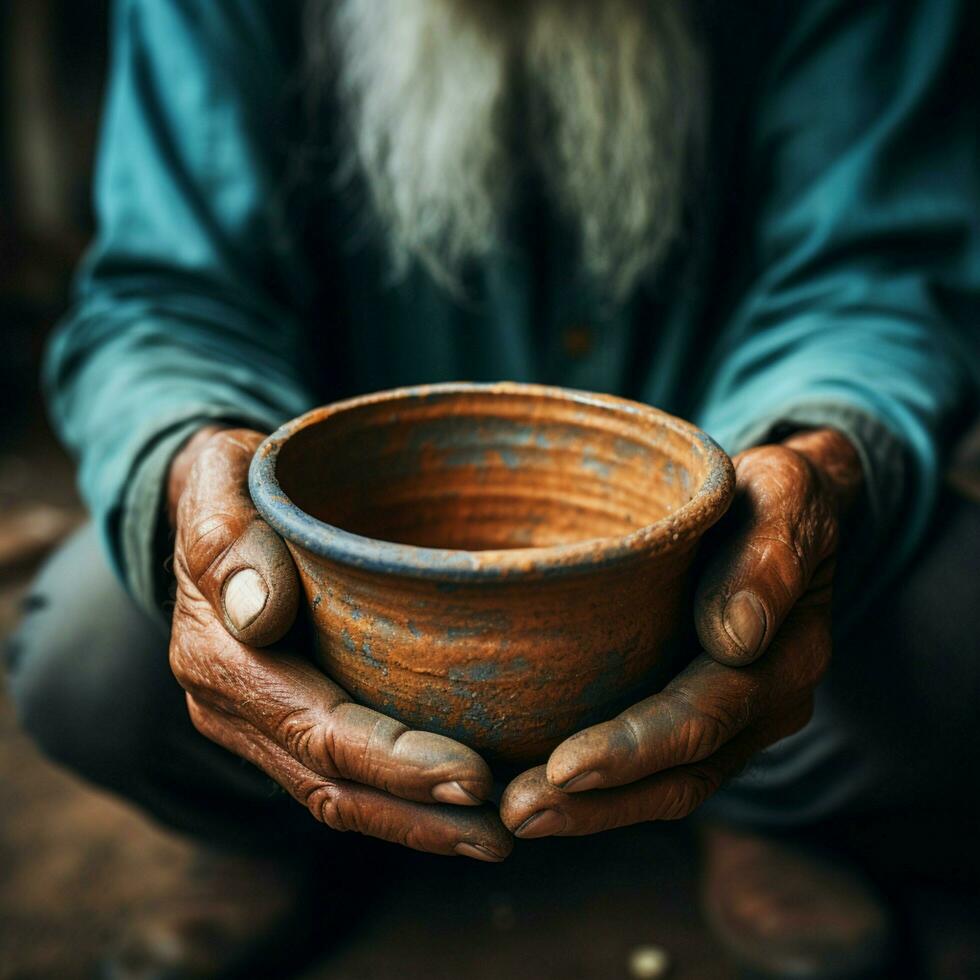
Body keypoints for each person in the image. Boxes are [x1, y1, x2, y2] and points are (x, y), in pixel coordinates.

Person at [6, 0, 979, 976]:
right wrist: (189, 469)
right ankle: (287, 799)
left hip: (697, 565)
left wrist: (816, 466)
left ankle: (751, 783)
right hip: (330, 594)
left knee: (951, 628)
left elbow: (873, 274)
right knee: (89, 660)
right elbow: (167, 295)